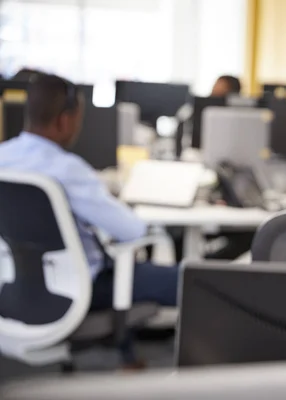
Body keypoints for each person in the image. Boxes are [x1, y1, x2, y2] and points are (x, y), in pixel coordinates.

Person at [0, 73, 179, 365]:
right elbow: (131, 230)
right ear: (65, 120)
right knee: (191, 279)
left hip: (18, 287)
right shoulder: (68, 170)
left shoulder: (3, 157)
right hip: (83, 288)